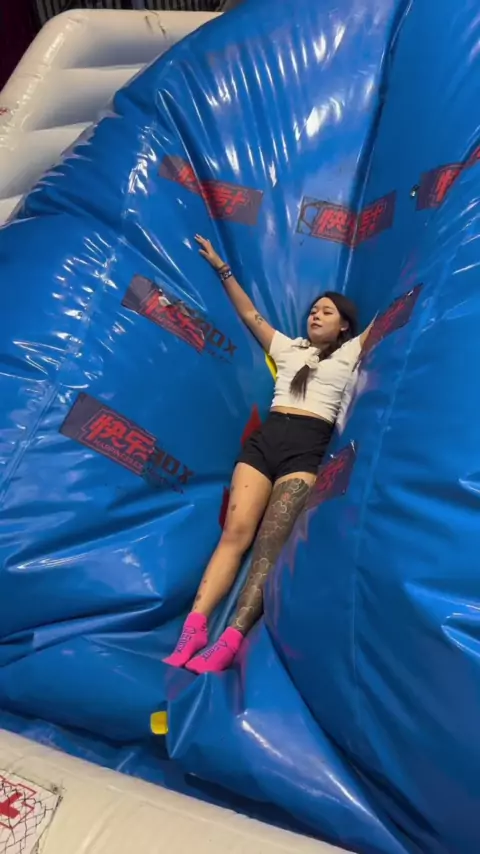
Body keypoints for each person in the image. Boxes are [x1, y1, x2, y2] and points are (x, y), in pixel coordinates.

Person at [164, 235, 371, 674]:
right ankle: (194, 628)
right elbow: (248, 314)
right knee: (234, 534)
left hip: (307, 449)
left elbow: (387, 321)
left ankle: (230, 639)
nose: (315, 314)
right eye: (313, 310)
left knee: (268, 547)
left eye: (326, 311)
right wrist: (222, 268)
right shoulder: (288, 347)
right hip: (266, 441)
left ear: (344, 327)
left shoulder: (350, 353)